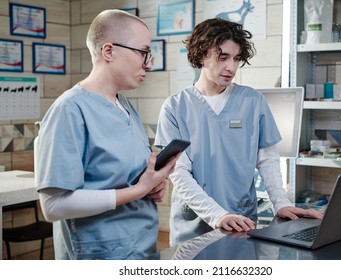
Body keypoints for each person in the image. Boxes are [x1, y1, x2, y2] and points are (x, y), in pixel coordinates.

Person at [155, 18, 322, 246]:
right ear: (201, 55)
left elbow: (268, 161)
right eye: (222, 57)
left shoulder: (253, 101)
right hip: (192, 226)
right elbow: (179, 173)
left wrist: (281, 203)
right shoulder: (175, 107)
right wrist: (217, 215)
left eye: (236, 59)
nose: (231, 67)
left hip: (242, 221)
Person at [35, 9, 180, 260]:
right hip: (101, 254)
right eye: (143, 52)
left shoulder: (123, 105)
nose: (149, 62)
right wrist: (137, 191)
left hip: (141, 249)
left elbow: (125, 179)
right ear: (109, 51)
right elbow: (53, 206)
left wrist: (151, 187)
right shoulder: (70, 110)